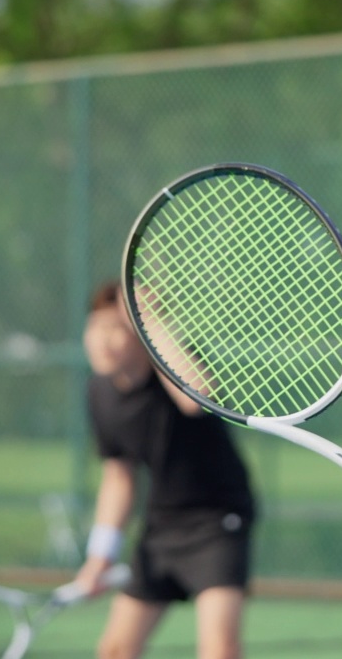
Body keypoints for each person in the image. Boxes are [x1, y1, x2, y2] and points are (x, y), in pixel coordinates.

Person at [74, 280, 256, 659]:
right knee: (114, 651)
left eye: (117, 328)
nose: (102, 339)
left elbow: (198, 400)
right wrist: (100, 556)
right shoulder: (99, 393)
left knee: (219, 651)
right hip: (161, 527)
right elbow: (118, 476)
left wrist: (151, 320)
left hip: (217, 521)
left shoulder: (178, 369)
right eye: (96, 326)